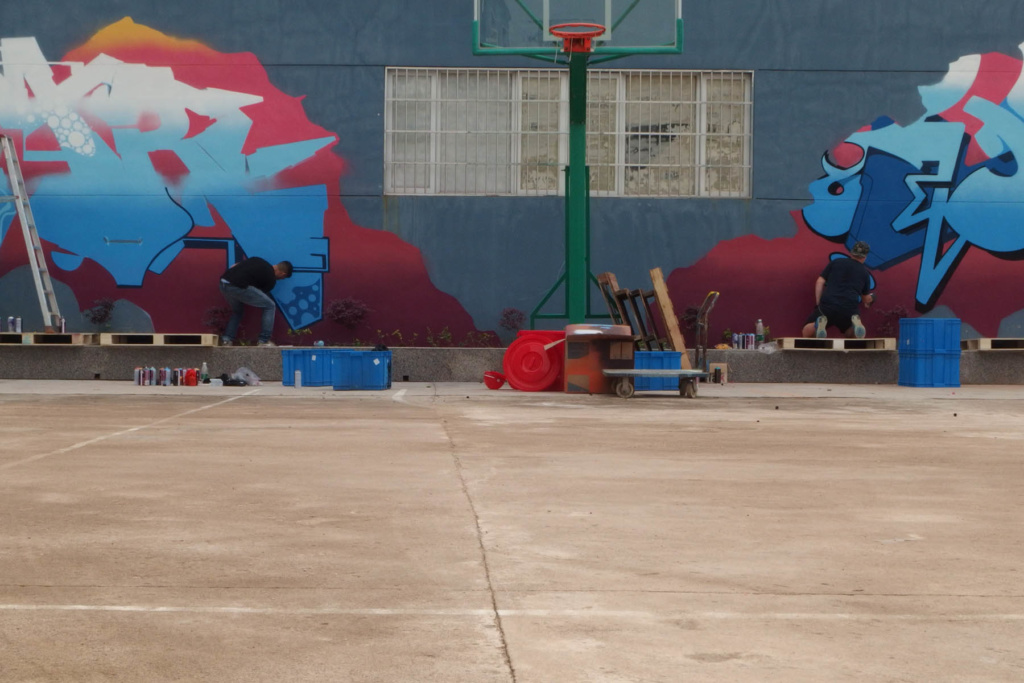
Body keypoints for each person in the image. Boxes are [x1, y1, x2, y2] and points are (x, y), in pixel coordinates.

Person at [801, 241, 875, 339]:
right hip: (849, 308)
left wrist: (819, 302)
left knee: (806, 332)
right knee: (850, 334)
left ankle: (816, 325)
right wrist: (873, 298)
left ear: (851, 253)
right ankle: (854, 327)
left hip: (828, 305)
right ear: (865, 257)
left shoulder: (836, 262)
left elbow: (820, 281)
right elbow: (865, 299)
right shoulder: (865, 273)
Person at [218, 257, 293, 346]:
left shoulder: (257, 260)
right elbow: (257, 295)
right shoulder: (271, 280)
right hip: (238, 286)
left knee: (237, 312)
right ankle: (264, 340)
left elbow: (235, 265)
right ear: (282, 274)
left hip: (224, 283)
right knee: (270, 306)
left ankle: (227, 340)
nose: (280, 279)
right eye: (283, 278)